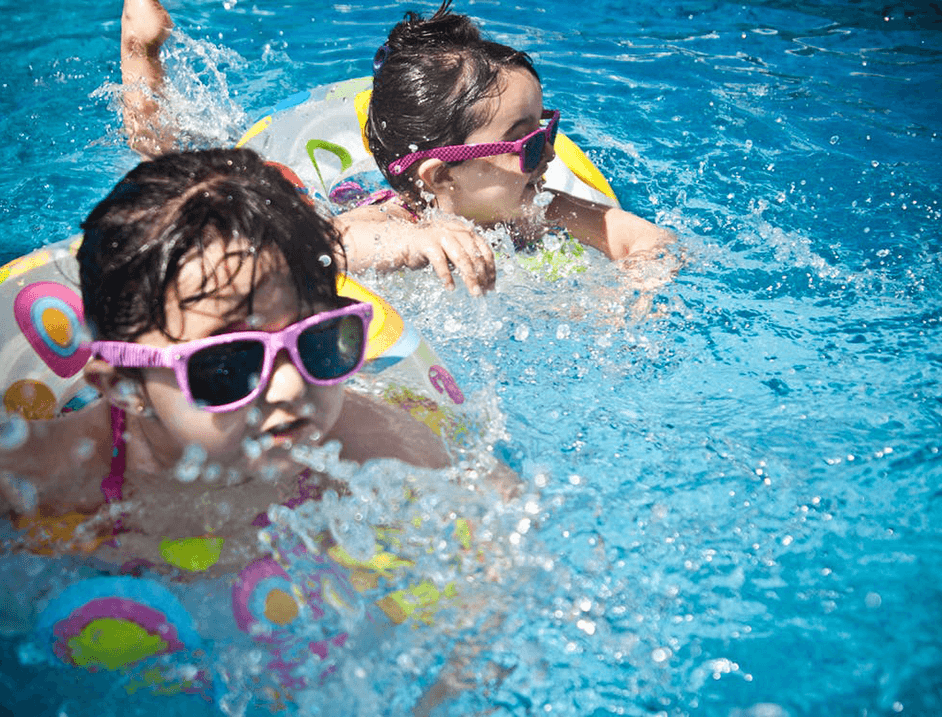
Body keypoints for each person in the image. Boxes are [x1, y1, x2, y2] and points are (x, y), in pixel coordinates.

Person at [0, 147, 452, 574]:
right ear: (125, 386)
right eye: (228, 366)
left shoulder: (370, 446)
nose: (290, 387)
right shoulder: (52, 475)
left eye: (317, 341)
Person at [119, 0, 674, 297]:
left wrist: (632, 293)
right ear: (439, 178)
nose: (548, 157)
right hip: (333, 196)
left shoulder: (541, 209)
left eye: (546, 131)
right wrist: (410, 241)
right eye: (524, 144)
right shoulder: (391, 216)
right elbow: (313, 251)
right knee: (174, 174)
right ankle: (140, 49)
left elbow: (646, 239)